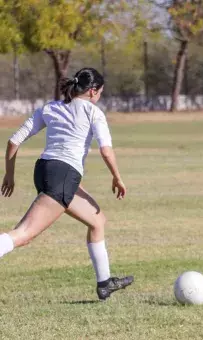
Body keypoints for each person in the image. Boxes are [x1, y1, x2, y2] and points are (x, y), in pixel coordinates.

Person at [0, 67, 134, 301]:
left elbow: (13, 141)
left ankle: (104, 283)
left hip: (44, 170)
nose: (99, 96)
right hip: (63, 175)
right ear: (92, 91)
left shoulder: (51, 108)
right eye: (100, 92)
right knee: (23, 234)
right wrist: (117, 177)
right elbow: (105, 150)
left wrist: (9, 175)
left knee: (97, 220)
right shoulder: (94, 113)